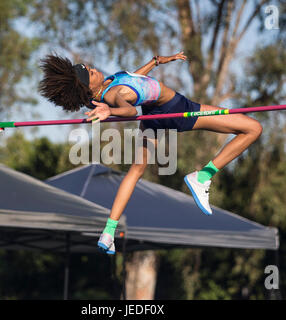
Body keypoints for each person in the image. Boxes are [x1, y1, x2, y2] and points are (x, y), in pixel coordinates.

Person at [38, 52, 262, 255]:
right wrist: (111, 111)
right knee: (252, 128)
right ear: (88, 88)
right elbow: (128, 109)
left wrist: (154, 63)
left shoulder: (110, 83)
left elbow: (134, 79)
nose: (91, 68)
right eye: (89, 73)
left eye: (88, 67)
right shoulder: (114, 94)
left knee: (136, 171)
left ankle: (108, 232)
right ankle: (203, 176)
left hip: (153, 114)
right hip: (177, 110)